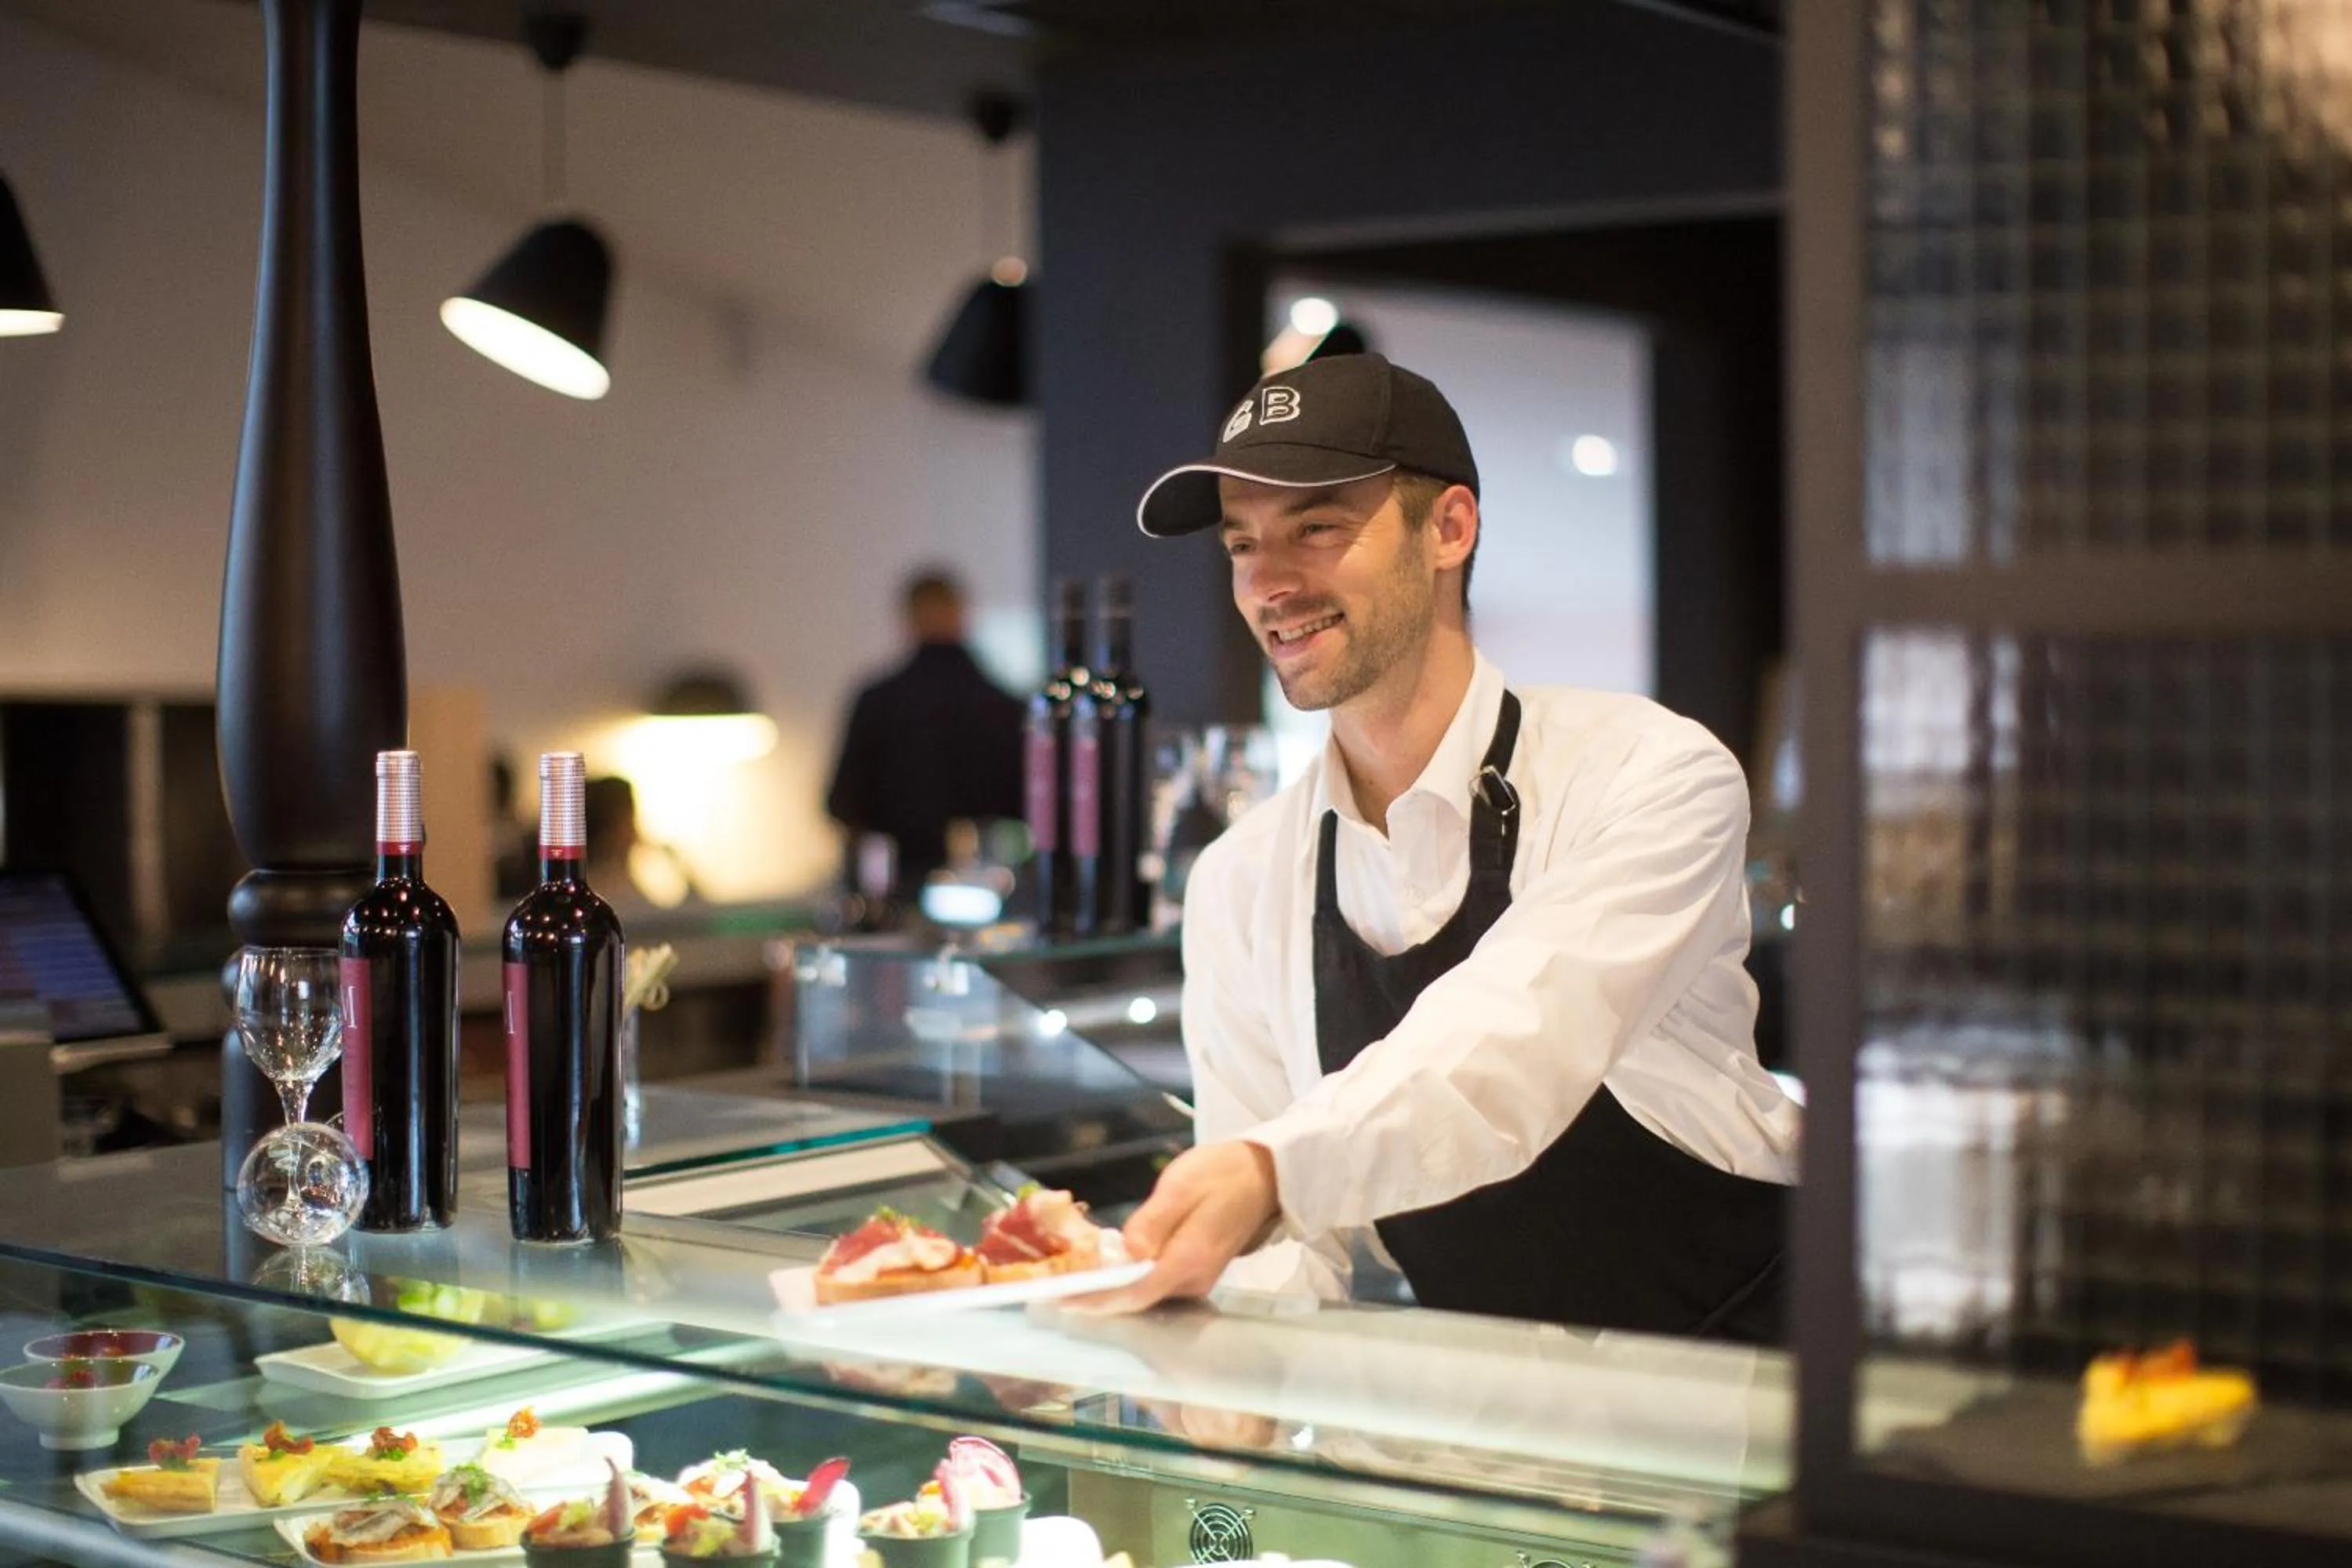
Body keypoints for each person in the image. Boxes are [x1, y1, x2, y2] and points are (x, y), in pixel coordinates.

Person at [1083, 353, 1801, 1342]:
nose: (1271, 584)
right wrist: (1208, 1395)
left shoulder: (1649, 771)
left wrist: (1270, 1170)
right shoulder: (1242, 879)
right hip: (1488, 1428)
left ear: (1449, 528)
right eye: (1243, 545)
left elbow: (1515, 1039)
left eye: (1318, 528)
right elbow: (1287, 1257)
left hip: (1744, 1390)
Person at [826, 568, 1025, 903]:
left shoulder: (878, 702)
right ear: (962, 613)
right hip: (993, 891)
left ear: (908, 619)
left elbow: (842, 804)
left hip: (899, 890)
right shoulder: (1007, 706)